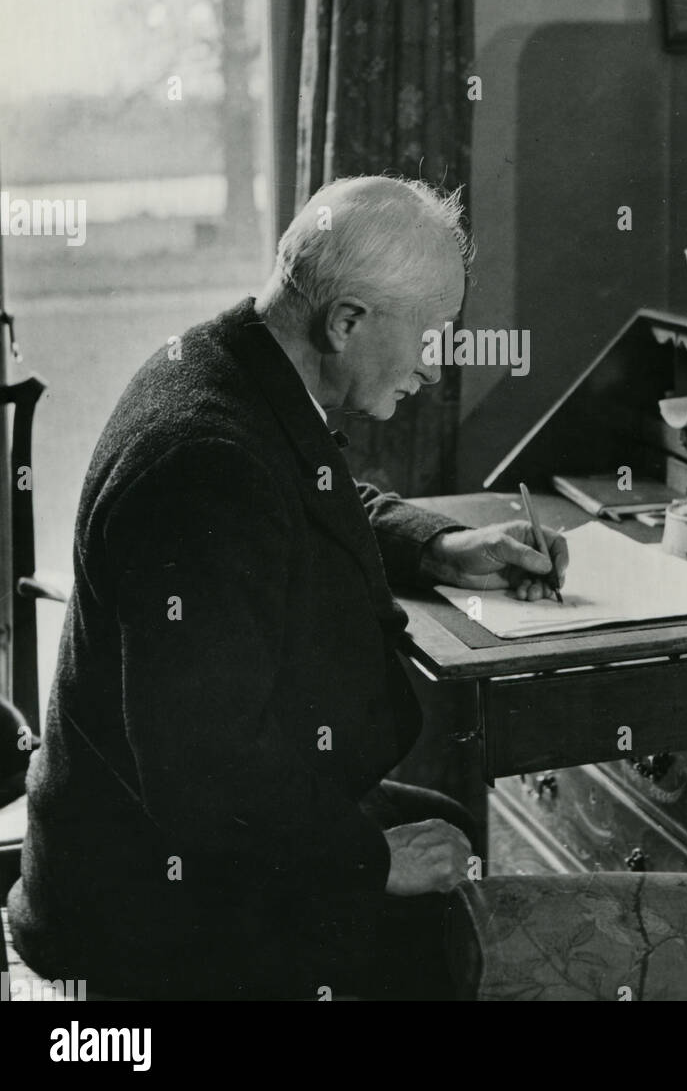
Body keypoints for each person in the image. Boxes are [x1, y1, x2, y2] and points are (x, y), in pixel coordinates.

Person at [9, 175, 567, 1001]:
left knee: (444, 831)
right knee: (429, 908)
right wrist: (369, 861)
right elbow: (202, 771)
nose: (434, 367)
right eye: (430, 336)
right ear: (346, 322)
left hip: (161, 826)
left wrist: (444, 546)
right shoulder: (206, 463)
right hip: (144, 896)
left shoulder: (231, 368)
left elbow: (314, 494)